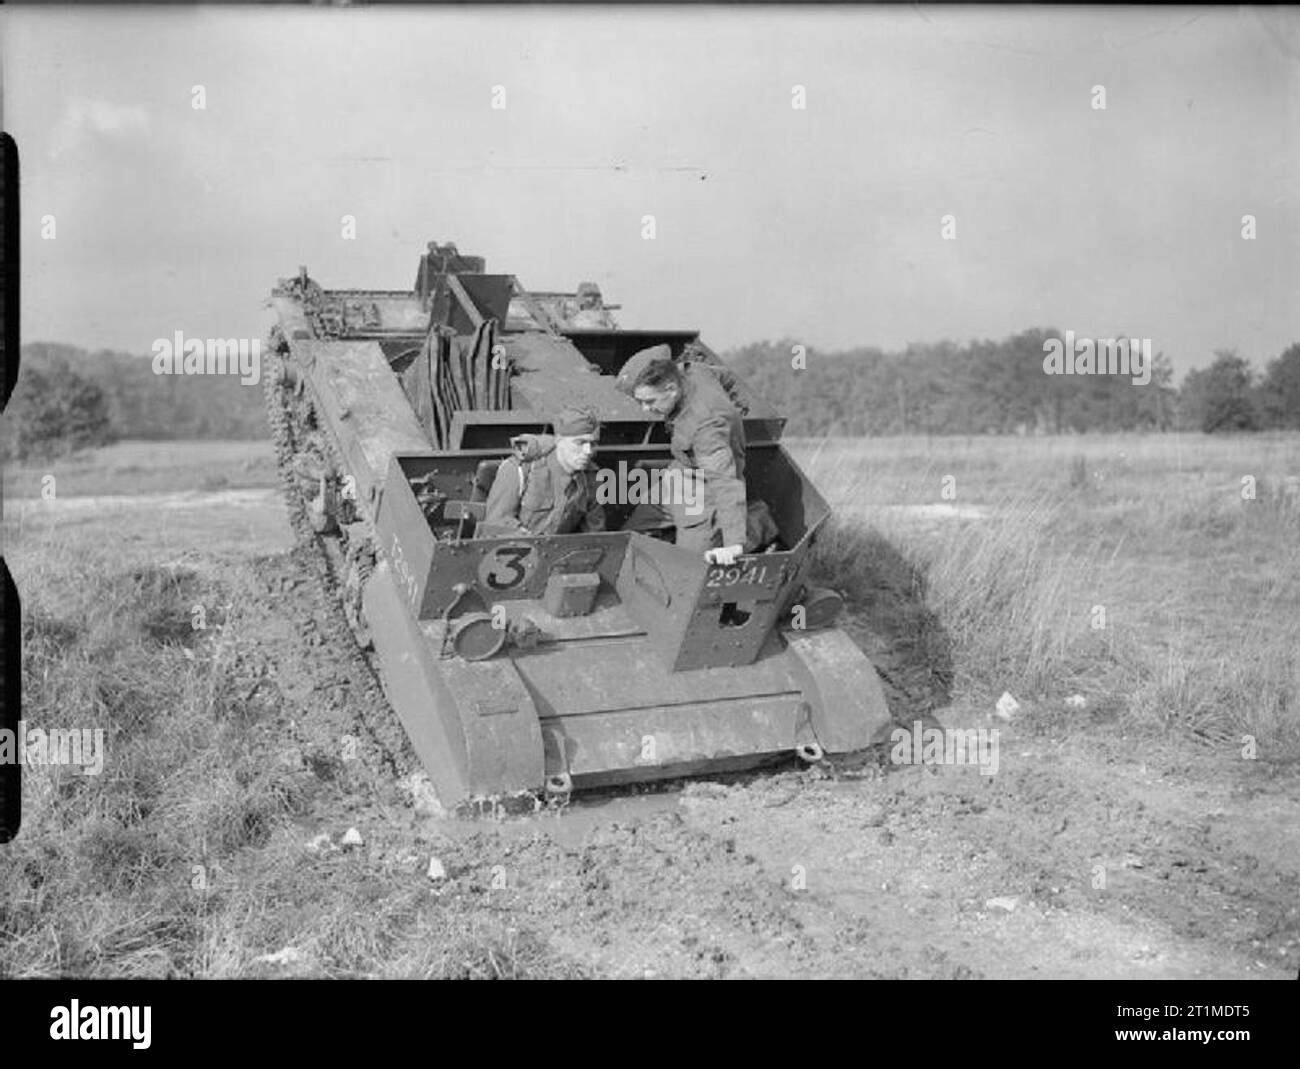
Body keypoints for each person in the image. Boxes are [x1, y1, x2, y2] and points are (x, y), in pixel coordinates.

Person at [616, 345, 749, 565]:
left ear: (671, 389)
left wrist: (734, 542)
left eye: (649, 402)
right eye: (640, 402)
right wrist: (733, 408)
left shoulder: (706, 428)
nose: (644, 410)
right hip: (680, 473)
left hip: (703, 489)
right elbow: (726, 377)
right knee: (633, 534)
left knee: (689, 569)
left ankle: (756, 525)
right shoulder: (693, 371)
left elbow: (724, 482)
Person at [481, 404, 605, 536]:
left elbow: (595, 535)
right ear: (559, 440)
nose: (588, 451)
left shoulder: (590, 479)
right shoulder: (520, 469)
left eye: (593, 444)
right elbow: (497, 524)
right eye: (580, 443)